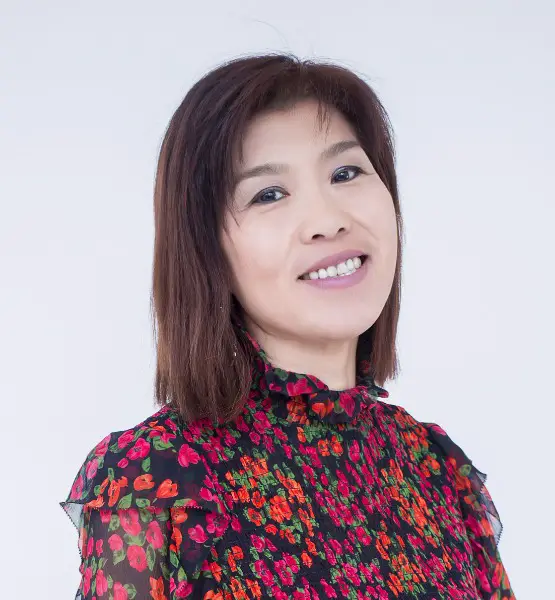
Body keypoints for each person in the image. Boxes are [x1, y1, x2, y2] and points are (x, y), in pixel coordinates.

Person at [60, 52, 516, 599]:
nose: (327, 220)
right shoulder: (154, 479)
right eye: (269, 194)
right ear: (207, 250)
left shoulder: (437, 473)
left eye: (345, 173)